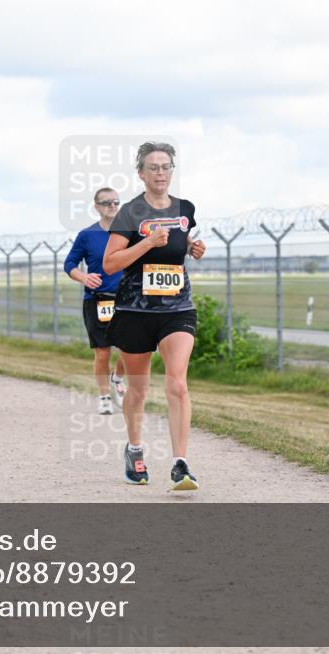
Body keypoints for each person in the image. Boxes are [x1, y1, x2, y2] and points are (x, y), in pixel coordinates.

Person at [102, 142, 206, 491]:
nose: (160, 173)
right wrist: (147, 243)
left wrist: (192, 247)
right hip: (135, 310)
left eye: (166, 167)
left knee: (177, 383)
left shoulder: (185, 208)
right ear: (141, 174)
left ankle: (180, 463)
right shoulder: (129, 213)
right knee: (139, 388)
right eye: (153, 167)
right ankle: (134, 449)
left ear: (172, 171)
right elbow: (110, 263)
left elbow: (180, 243)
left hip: (178, 307)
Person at [64, 187, 127, 415]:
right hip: (97, 301)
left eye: (115, 202)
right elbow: (69, 264)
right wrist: (83, 277)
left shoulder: (129, 233)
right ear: (97, 207)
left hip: (127, 300)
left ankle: (117, 377)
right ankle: (104, 396)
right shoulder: (87, 235)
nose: (112, 206)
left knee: (131, 348)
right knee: (102, 352)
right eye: (106, 202)